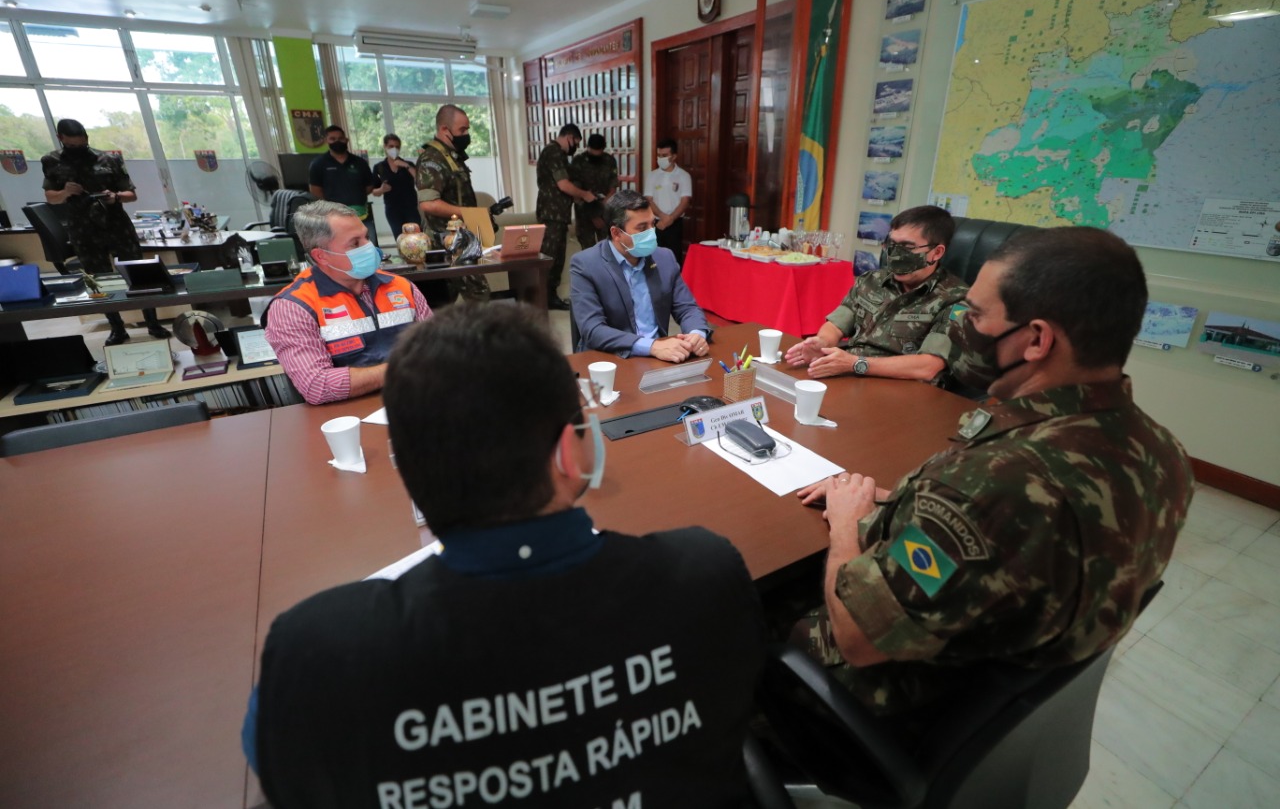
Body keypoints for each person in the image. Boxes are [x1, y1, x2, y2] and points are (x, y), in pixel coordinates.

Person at [245, 303, 768, 807]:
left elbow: (279, 762)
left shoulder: (315, 651)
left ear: (410, 470)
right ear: (570, 452)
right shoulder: (704, 571)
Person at [794, 226, 1194, 719]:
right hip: (1003, 689)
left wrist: (844, 523)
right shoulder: (1164, 451)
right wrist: (897, 499)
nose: (962, 325)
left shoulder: (990, 484)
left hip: (896, 705)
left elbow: (859, 637)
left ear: (1037, 339)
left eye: (977, 315)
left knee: (737, 608)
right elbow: (1002, 535)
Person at [263, 200, 430, 405]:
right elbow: (317, 386)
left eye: (366, 237)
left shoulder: (401, 287)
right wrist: (404, 368)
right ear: (321, 256)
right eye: (355, 243)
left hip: (418, 402)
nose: (369, 247)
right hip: (347, 415)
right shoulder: (293, 307)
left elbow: (438, 351)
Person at [784, 205, 968, 386]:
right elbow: (837, 323)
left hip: (903, 389)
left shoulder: (956, 299)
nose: (895, 255)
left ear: (936, 252)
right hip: (851, 377)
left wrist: (856, 364)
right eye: (892, 244)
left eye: (907, 247)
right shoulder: (872, 280)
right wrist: (822, 343)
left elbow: (928, 366)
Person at [40, 119, 169, 345]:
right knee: (100, 281)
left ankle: (153, 323)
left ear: (87, 138)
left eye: (82, 144)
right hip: (83, 229)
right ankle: (117, 328)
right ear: (61, 139)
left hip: (116, 225)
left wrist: (115, 196)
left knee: (139, 276)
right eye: (72, 146)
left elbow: (131, 194)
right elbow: (50, 197)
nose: (79, 149)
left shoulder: (108, 159)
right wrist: (65, 192)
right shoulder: (51, 161)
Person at [570, 189, 711, 361]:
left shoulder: (664, 257)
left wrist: (696, 334)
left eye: (653, 224)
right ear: (616, 233)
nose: (651, 232)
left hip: (659, 357)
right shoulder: (586, 264)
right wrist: (651, 346)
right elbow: (593, 330)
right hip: (611, 359)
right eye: (642, 228)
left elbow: (687, 307)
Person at [415, 104, 489, 303]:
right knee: (477, 294)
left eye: (467, 130)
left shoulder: (451, 156)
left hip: (460, 240)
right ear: (444, 130)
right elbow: (428, 203)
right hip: (444, 243)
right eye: (462, 130)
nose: (466, 135)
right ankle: (480, 334)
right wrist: (468, 213)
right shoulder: (432, 158)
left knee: (447, 300)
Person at [537, 123, 599, 311]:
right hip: (551, 214)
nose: (575, 147)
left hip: (559, 214)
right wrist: (584, 195)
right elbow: (564, 185)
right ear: (569, 137)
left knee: (557, 257)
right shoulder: (553, 152)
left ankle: (550, 296)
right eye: (576, 142)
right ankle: (543, 297)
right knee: (549, 257)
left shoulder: (560, 155)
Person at [308, 125, 383, 245]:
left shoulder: (360, 163)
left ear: (346, 140)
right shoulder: (318, 164)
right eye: (333, 139)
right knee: (343, 249)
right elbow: (315, 190)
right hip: (334, 218)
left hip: (361, 216)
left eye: (340, 138)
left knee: (369, 247)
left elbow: (369, 186)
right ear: (327, 141)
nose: (337, 141)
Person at [643, 138, 692, 265]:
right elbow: (649, 199)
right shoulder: (652, 175)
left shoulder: (684, 176)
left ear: (674, 156)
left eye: (664, 156)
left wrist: (670, 219)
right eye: (659, 155)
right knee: (653, 259)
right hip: (655, 223)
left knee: (673, 259)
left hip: (674, 223)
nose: (660, 158)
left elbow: (685, 201)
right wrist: (662, 217)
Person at [570, 133, 619, 250]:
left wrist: (606, 202)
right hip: (585, 214)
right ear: (588, 147)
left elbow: (613, 185)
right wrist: (594, 216)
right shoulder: (578, 162)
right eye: (593, 153)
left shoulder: (609, 160)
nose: (596, 157)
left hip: (605, 211)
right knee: (588, 251)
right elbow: (577, 194)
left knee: (609, 248)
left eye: (599, 153)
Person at [372, 133, 419, 240]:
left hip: (410, 207)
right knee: (400, 238)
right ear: (385, 147)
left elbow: (420, 180)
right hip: (393, 209)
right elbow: (374, 191)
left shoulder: (408, 164)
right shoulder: (379, 167)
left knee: (415, 238)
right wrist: (382, 189)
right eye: (391, 146)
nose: (394, 149)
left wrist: (405, 166)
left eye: (397, 146)